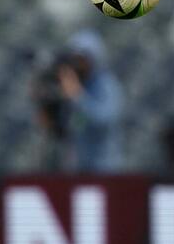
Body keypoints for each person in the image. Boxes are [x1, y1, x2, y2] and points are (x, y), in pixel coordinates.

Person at [33, 28, 123, 172]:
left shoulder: (105, 85)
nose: (77, 64)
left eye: (81, 59)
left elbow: (104, 120)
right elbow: (66, 126)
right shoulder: (73, 84)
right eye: (73, 59)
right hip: (77, 168)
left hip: (104, 169)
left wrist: (77, 96)